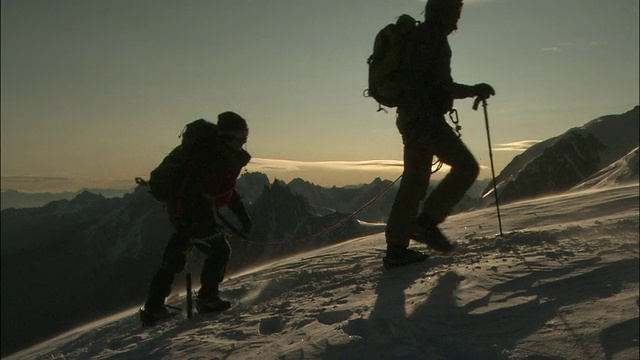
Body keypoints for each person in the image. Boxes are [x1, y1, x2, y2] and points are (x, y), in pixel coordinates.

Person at [383, 0, 495, 267]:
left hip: (412, 120)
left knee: (415, 180)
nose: (457, 20)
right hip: (425, 121)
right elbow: (439, 86)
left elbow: (431, 84)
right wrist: (471, 90)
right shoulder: (432, 39)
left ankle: (397, 249)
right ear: (445, 13)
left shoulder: (422, 37)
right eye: (455, 13)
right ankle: (426, 223)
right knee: (466, 167)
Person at [140, 111, 253, 323]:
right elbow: (195, 190)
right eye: (242, 138)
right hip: (190, 213)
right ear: (229, 137)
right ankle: (208, 299)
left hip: (182, 212)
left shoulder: (214, 154)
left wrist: (242, 216)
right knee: (219, 250)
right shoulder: (211, 158)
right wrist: (200, 221)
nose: (244, 143)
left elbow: (224, 190)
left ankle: (153, 308)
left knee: (175, 254)